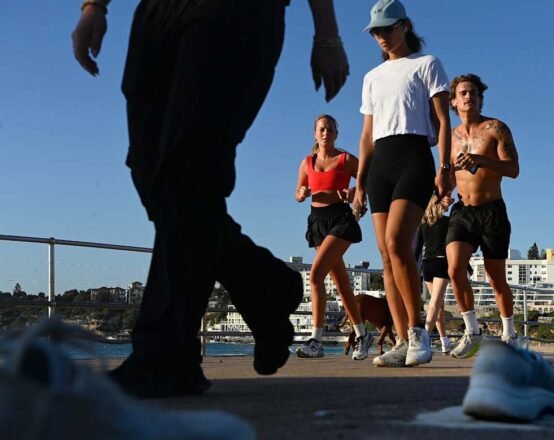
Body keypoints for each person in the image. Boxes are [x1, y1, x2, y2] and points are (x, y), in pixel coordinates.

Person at [71, 0, 349, 397]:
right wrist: (94, 5)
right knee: (151, 174)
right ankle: (263, 283)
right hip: (157, 14)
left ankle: (165, 354)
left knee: (190, 170)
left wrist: (327, 34)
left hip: (229, 13)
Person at [354, 0, 452, 368]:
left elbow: (443, 121)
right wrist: (361, 183)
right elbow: (366, 135)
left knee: (398, 243)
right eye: (376, 31)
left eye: (387, 29)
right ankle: (400, 339)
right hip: (380, 162)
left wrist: (445, 168)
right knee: (385, 255)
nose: (381, 36)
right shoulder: (371, 77)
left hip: (414, 157)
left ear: (405, 26)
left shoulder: (427, 64)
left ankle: (417, 333)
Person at [444, 73, 520, 359]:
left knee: (496, 279)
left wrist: (481, 160)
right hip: (462, 211)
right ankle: (472, 331)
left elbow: (513, 169)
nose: (468, 96)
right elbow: (450, 176)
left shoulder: (496, 128)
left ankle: (510, 335)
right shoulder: (450, 137)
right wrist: (442, 193)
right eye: (463, 93)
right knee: (453, 269)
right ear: (453, 101)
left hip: (492, 211)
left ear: (480, 98)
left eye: (473, 92)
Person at [294, 115, 374, 360]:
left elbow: (369, 175)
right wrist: (303, 193)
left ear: (336, 133)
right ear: (315, 134)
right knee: (340, 282)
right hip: (317, 221)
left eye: (330, 129)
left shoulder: (345, 159)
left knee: (316, 275)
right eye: (322, 129)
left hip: (340, 220)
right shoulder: (307, 162)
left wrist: (355, 191)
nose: (326, 132)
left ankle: (316, 340)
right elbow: (297, 193)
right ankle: (362, 334)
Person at [414, 192, 455, 355]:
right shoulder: (448, 222)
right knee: (435, 303)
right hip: (441, 262)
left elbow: (417, 250)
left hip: (427, 264)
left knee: (439, 305)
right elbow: (451, 246)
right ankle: (424, 339)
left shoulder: (423, 223)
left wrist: (414, 268)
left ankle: (444, 341)